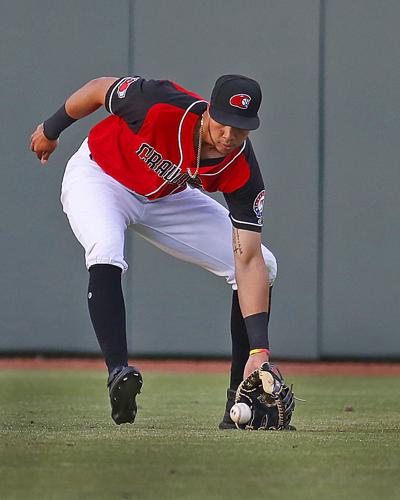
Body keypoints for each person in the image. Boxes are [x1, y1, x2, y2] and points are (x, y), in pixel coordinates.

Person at [30, 74, 278, 427]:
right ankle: (119, 372)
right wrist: (51, 129)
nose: (229, 135)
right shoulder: (159, 104)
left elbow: (249, 259)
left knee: (266, 264)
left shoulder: (241, 166)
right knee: (106, 248)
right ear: (209, 111)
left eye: (241, 128)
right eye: (224, 123)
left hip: (165, 196)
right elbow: (100, 88)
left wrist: (260, 350)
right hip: (100, 175)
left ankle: (237, 406)